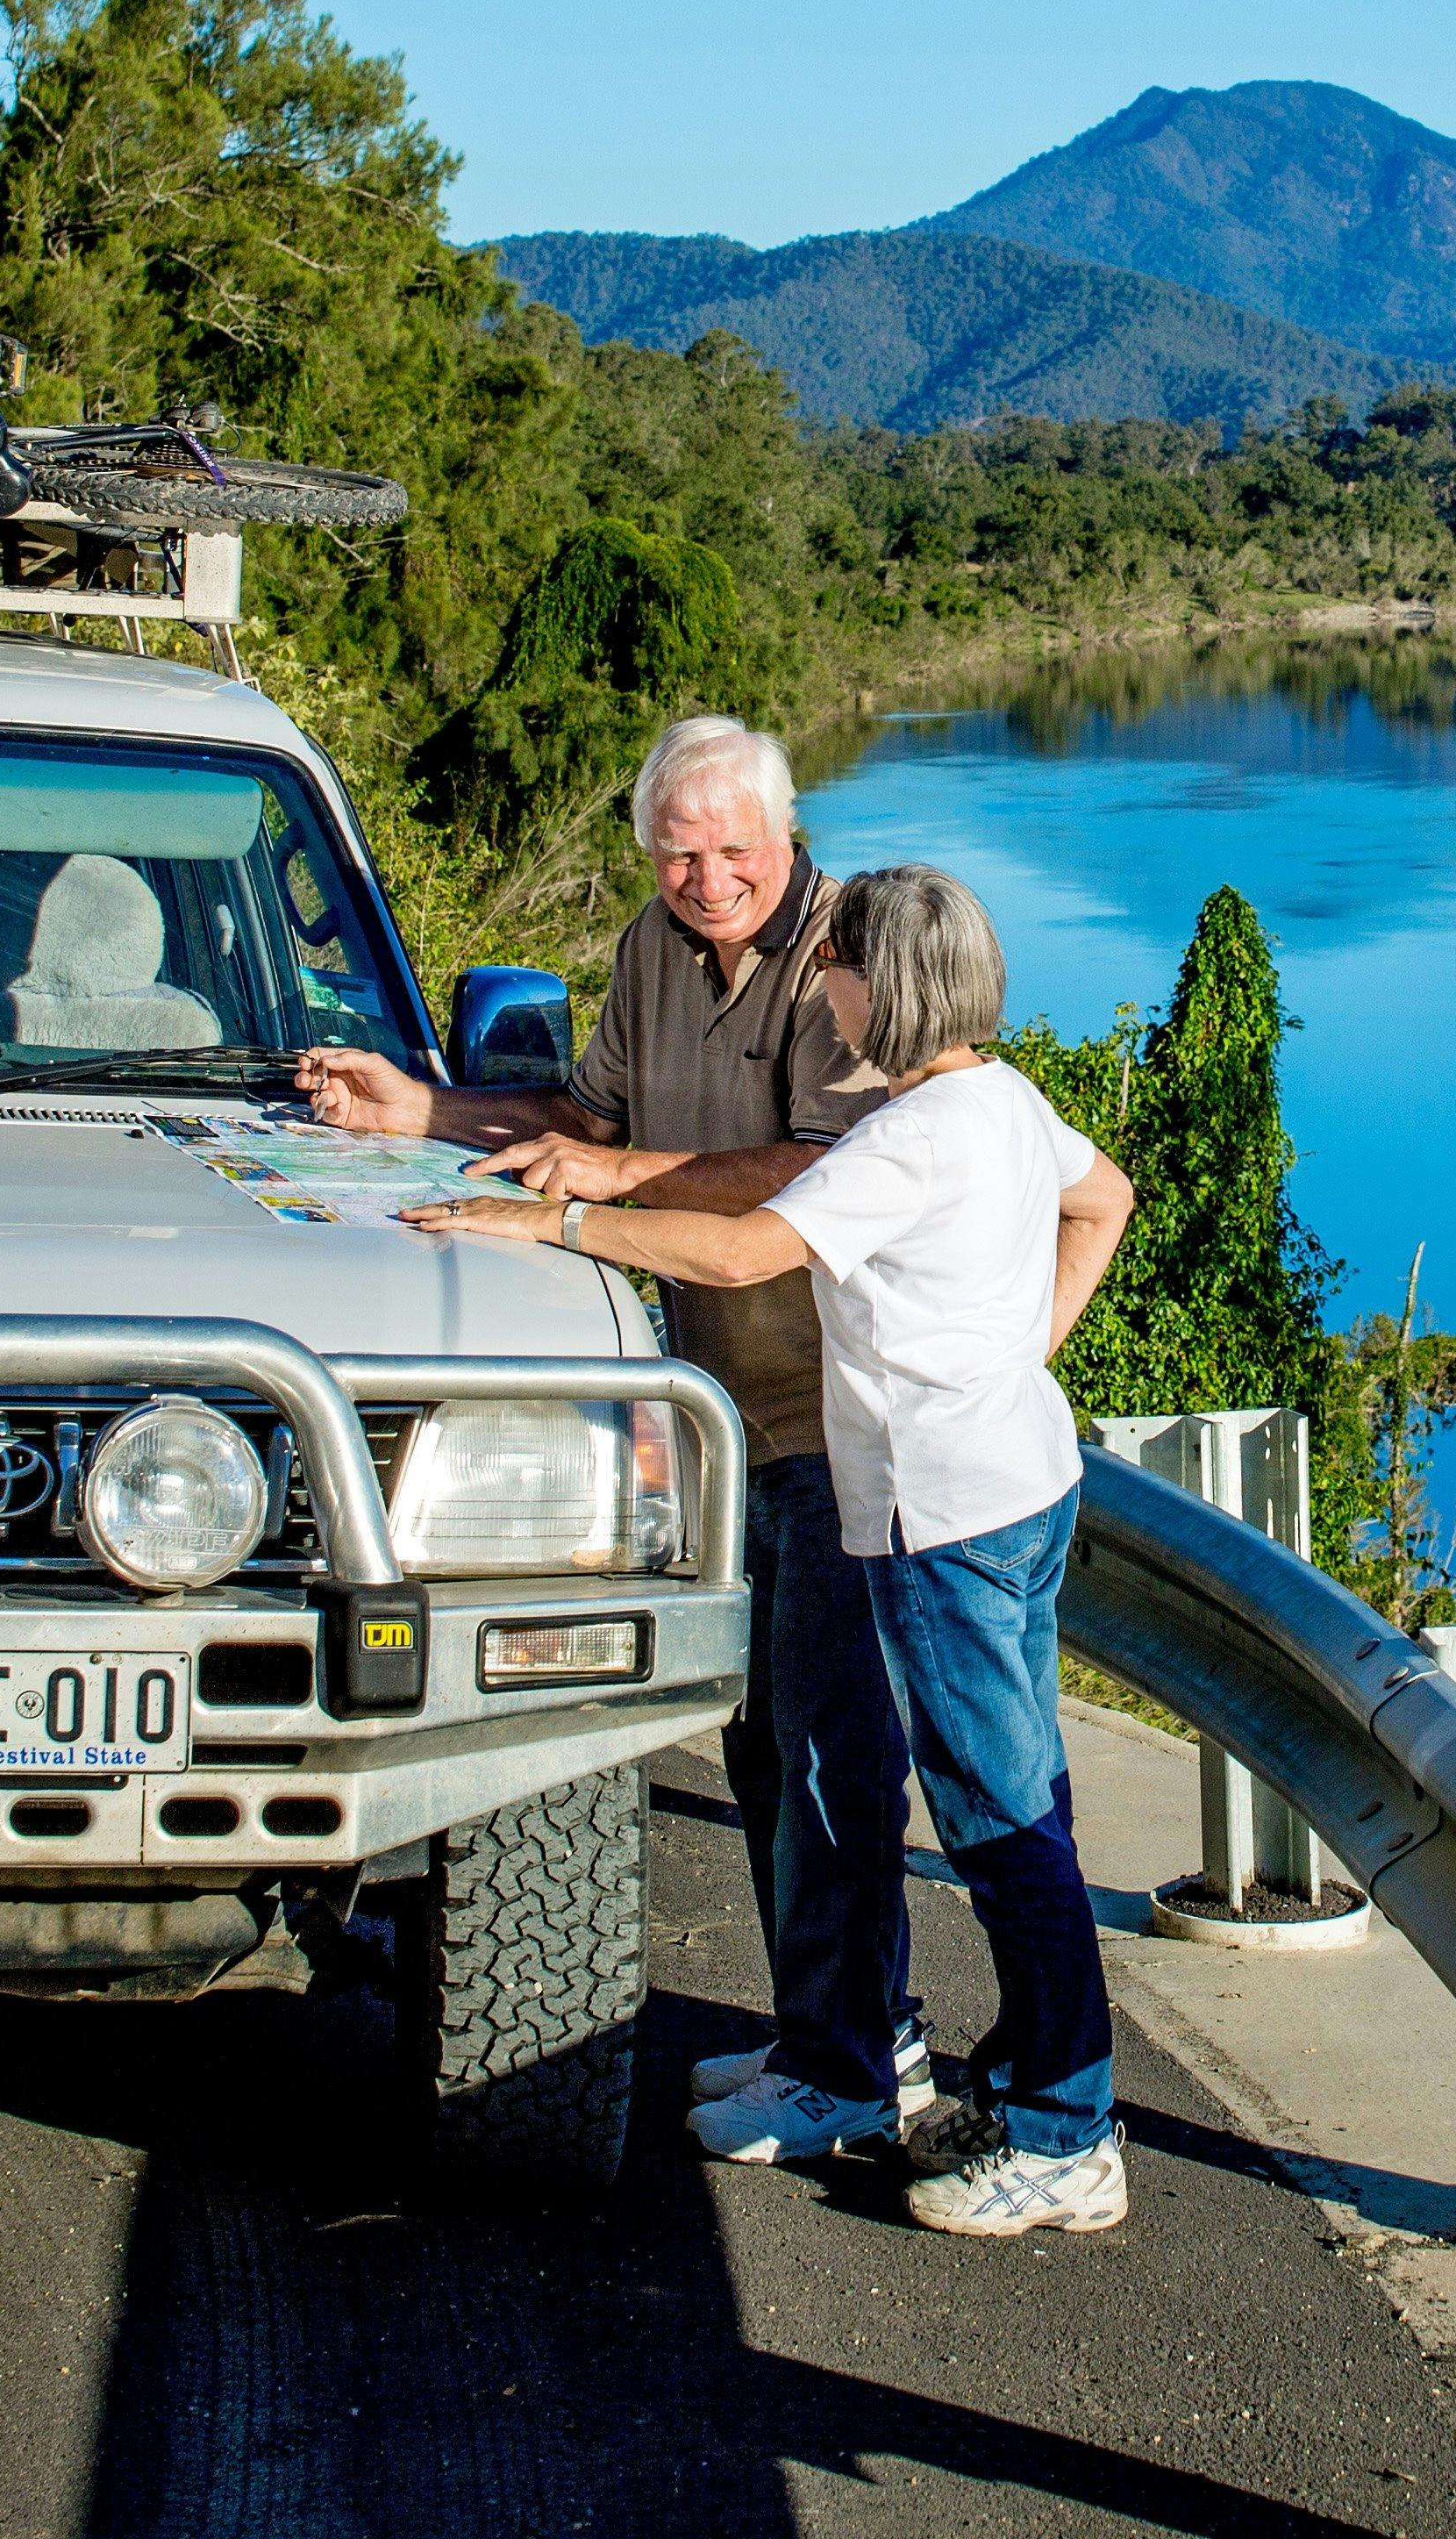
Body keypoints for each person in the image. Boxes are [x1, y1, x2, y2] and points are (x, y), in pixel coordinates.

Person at [407, 862, 1144, 2237]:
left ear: (887, 986)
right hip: (1021, 1483)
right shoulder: (1004, 1101)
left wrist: (558, 1221)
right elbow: (1104, 1203)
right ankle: (975, 2082)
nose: (828, 988)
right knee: (1021, 1804)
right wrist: (1010, 1359)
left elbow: (744, 1256)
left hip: (945, 1524)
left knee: (1003, 1826)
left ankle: (1068, 2135)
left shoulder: (906, 1138)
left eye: (841, 969)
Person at [292, 715, 929, 2114]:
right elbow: (574, 1117)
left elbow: (815, 1171)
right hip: (717, 1416)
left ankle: (858, 2057)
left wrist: (604, 1186)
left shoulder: (847, 953)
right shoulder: (652, 947)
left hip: (840, 1413)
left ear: (789, 832)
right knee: (766, 1741)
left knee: (832, 1750)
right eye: (679, 852)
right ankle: (833, 2032)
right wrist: (422, 1109)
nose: (708, 880)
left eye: (734, 851)